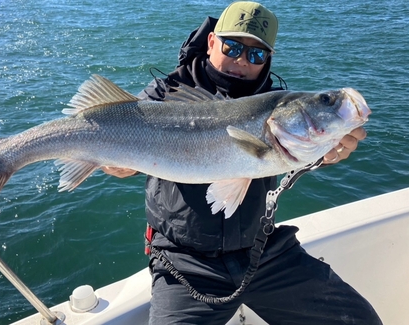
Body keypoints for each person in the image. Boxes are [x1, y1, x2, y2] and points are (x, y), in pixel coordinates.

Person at [103, 2, 382, 324]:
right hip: (184, 261)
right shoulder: (163, 95)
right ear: (211, 42)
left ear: (268, 59)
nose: (241, 60)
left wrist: (327, 155)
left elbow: (291, 158)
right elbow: (119, 133)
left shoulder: (279, 104)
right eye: (232, 47)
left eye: (256, 54)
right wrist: (118, 164)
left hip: (263, 252)